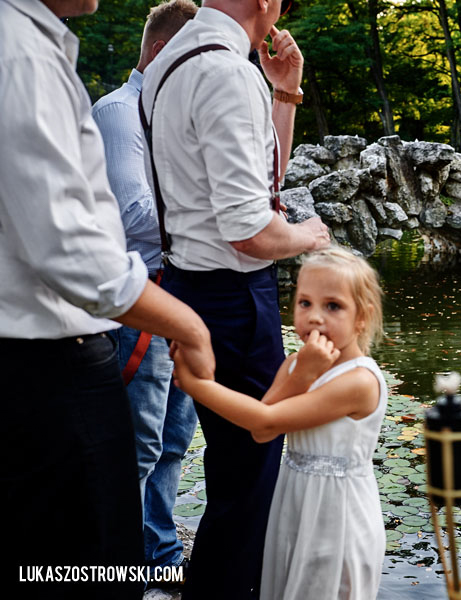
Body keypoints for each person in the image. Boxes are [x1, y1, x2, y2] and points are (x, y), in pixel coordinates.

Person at [0, 1, 214, 598]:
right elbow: (77, 243)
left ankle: (162, 554)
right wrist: (190, 322)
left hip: (83, 331)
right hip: (55, 352)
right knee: (91, 560)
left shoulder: (38, 47)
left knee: (162, 455)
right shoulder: (22, 55)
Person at [139, 2, 331, 597]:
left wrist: (285, 95)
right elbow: (252, 229)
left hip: (189, 284)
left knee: (235, 475)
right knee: (252, 481)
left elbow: (256, 182)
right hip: (232, 297)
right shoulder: (224, 70)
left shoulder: (173, 58)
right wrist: (312, 236)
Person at [173, 246, 387, 600]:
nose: (315, 317)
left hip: (338, 513)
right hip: (293, 503)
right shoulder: (296, 365)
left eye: (332, 306)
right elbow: (261, 432)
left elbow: (266, 417)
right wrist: (300, 372)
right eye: (305, 303)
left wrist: (198, 386)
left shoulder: (359, 381)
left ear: (361, 317)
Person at [91, 0, 198, 583]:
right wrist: (220, 225)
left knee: (176, 438)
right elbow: (135, 216)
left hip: (182, 294)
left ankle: (159, 554)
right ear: (159, 52)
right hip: (138, 300)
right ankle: (114, 566)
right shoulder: (118, 114)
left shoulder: (169, 115)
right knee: (136, 444)